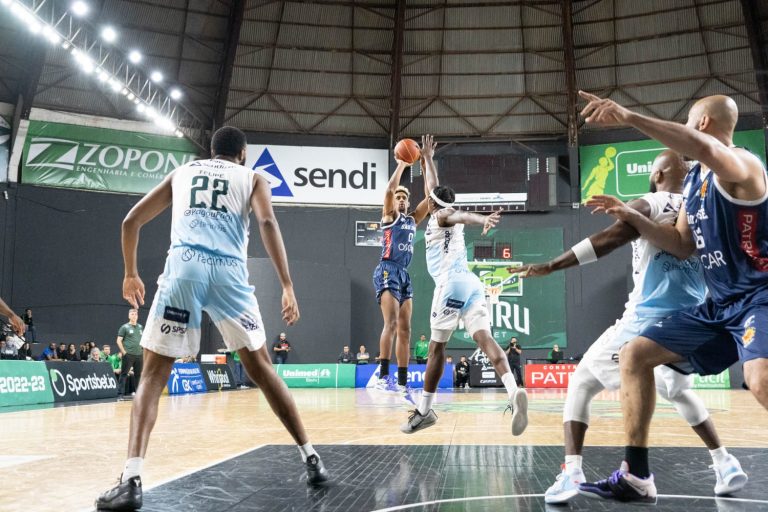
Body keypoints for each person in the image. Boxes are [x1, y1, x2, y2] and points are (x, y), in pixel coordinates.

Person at [96, 126, 328, 511]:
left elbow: (130, 222)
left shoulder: (183, 172)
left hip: (184, 271)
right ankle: (311, 458)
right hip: (229, 276)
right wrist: (287, 284)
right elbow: (268, 223)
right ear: (243, 153)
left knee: (152, 376)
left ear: (210, 150)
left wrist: (130, 273)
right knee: (262, 369)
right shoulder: (253, 177)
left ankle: (131, 479)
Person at [511, 149, 746, 504]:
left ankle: (572, 471)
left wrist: (551, 265)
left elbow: (607, 240)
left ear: (657, 175)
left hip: (646, 320)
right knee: (676, 389)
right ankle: (724, 463)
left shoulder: (653, 202)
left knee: (582, 381)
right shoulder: (704, 211)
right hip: (691, 321)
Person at [575, 92, 766, 503]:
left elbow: (706, 149)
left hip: (758, 297)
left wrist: (628, 115)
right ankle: (637, 476)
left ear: (702, 123)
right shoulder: (695, 184)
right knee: (635, 354)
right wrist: (632, 215)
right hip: (717, 306)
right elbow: (680, 244)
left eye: (690, 122)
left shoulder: (743, 164)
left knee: (759, 380)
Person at [400, 134, 528, 436]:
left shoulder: (442, 216)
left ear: (434, 204)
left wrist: (481, 219)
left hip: (451, 286)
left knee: (436, 349)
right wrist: (427, 158)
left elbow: (459, 214)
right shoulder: (439, 207)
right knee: (485, 339)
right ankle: (513, 391)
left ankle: (424, 411)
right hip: (472, 285)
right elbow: (434, 188)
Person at [372, 149, 430, 399]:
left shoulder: (412, 220)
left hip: (404, 274)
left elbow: (431, 199)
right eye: (399, 197)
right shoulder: (390, 216)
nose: (402, 200)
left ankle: (403, 382)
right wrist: (403, 164)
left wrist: (426, 165)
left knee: (406, 330)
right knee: (392, 324)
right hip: (387, 269)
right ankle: (383, 377)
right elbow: (388, 191)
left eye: (405, 197)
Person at [117, 309, 144, 397]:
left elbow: (143, 340)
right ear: (129, 316)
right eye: (132, 314)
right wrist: (124, 353)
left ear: (137, 316)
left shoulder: (140, 327)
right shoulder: (124, 327)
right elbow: (118, 341)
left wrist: (142, 351)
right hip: (128, 355)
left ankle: (138, 394)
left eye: (135, 314)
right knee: (124, 374)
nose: (134, 316)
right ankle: (120, 394)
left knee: (138, 375)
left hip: (139, 355)